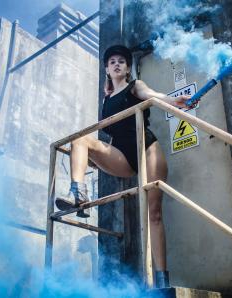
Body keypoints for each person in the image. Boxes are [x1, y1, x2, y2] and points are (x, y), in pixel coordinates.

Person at [55, 45, 192, 288]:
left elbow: (153, 95)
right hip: (123, 155)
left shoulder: (134, 86)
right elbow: (109, 137)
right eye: (112, 62)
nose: (117, 64)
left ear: (128, 67)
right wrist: (93, 159)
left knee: (154, 214)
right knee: (80, 139)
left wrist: (174, 101)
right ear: (107, 69)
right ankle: (78, 193)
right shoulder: (106, 100)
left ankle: (161, 280)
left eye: (121, 61)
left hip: (148, 150)